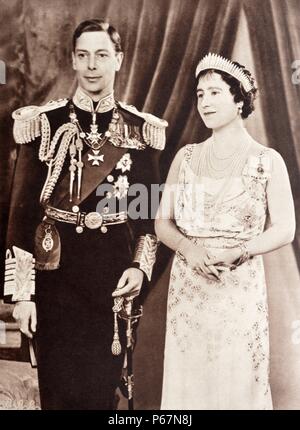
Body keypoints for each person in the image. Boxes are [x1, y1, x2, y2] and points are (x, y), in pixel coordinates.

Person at [4, 19, 167, 410]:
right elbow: (20, 214)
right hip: (54, 277)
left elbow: (148, 217)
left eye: (102, 55)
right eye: (83, 56)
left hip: (111, 278)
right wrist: (23, 296)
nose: (92, 65)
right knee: (58, 394)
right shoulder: (44, 123)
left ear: (119, 60)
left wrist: (139, 268)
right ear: (73, 62)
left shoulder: (139, 130)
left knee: (101, 394)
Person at [155, 53, 295, 410]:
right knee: (190, 382)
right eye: (200, 94)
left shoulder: (267, 161)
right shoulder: (185, 157)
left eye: (215, 93)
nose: (205, 102)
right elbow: (162, 222)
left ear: (239, 99)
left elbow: (286, 228)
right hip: (189, 286)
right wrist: (190, 249)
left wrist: (240, 251)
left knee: (236, 380)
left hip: (239, 287)